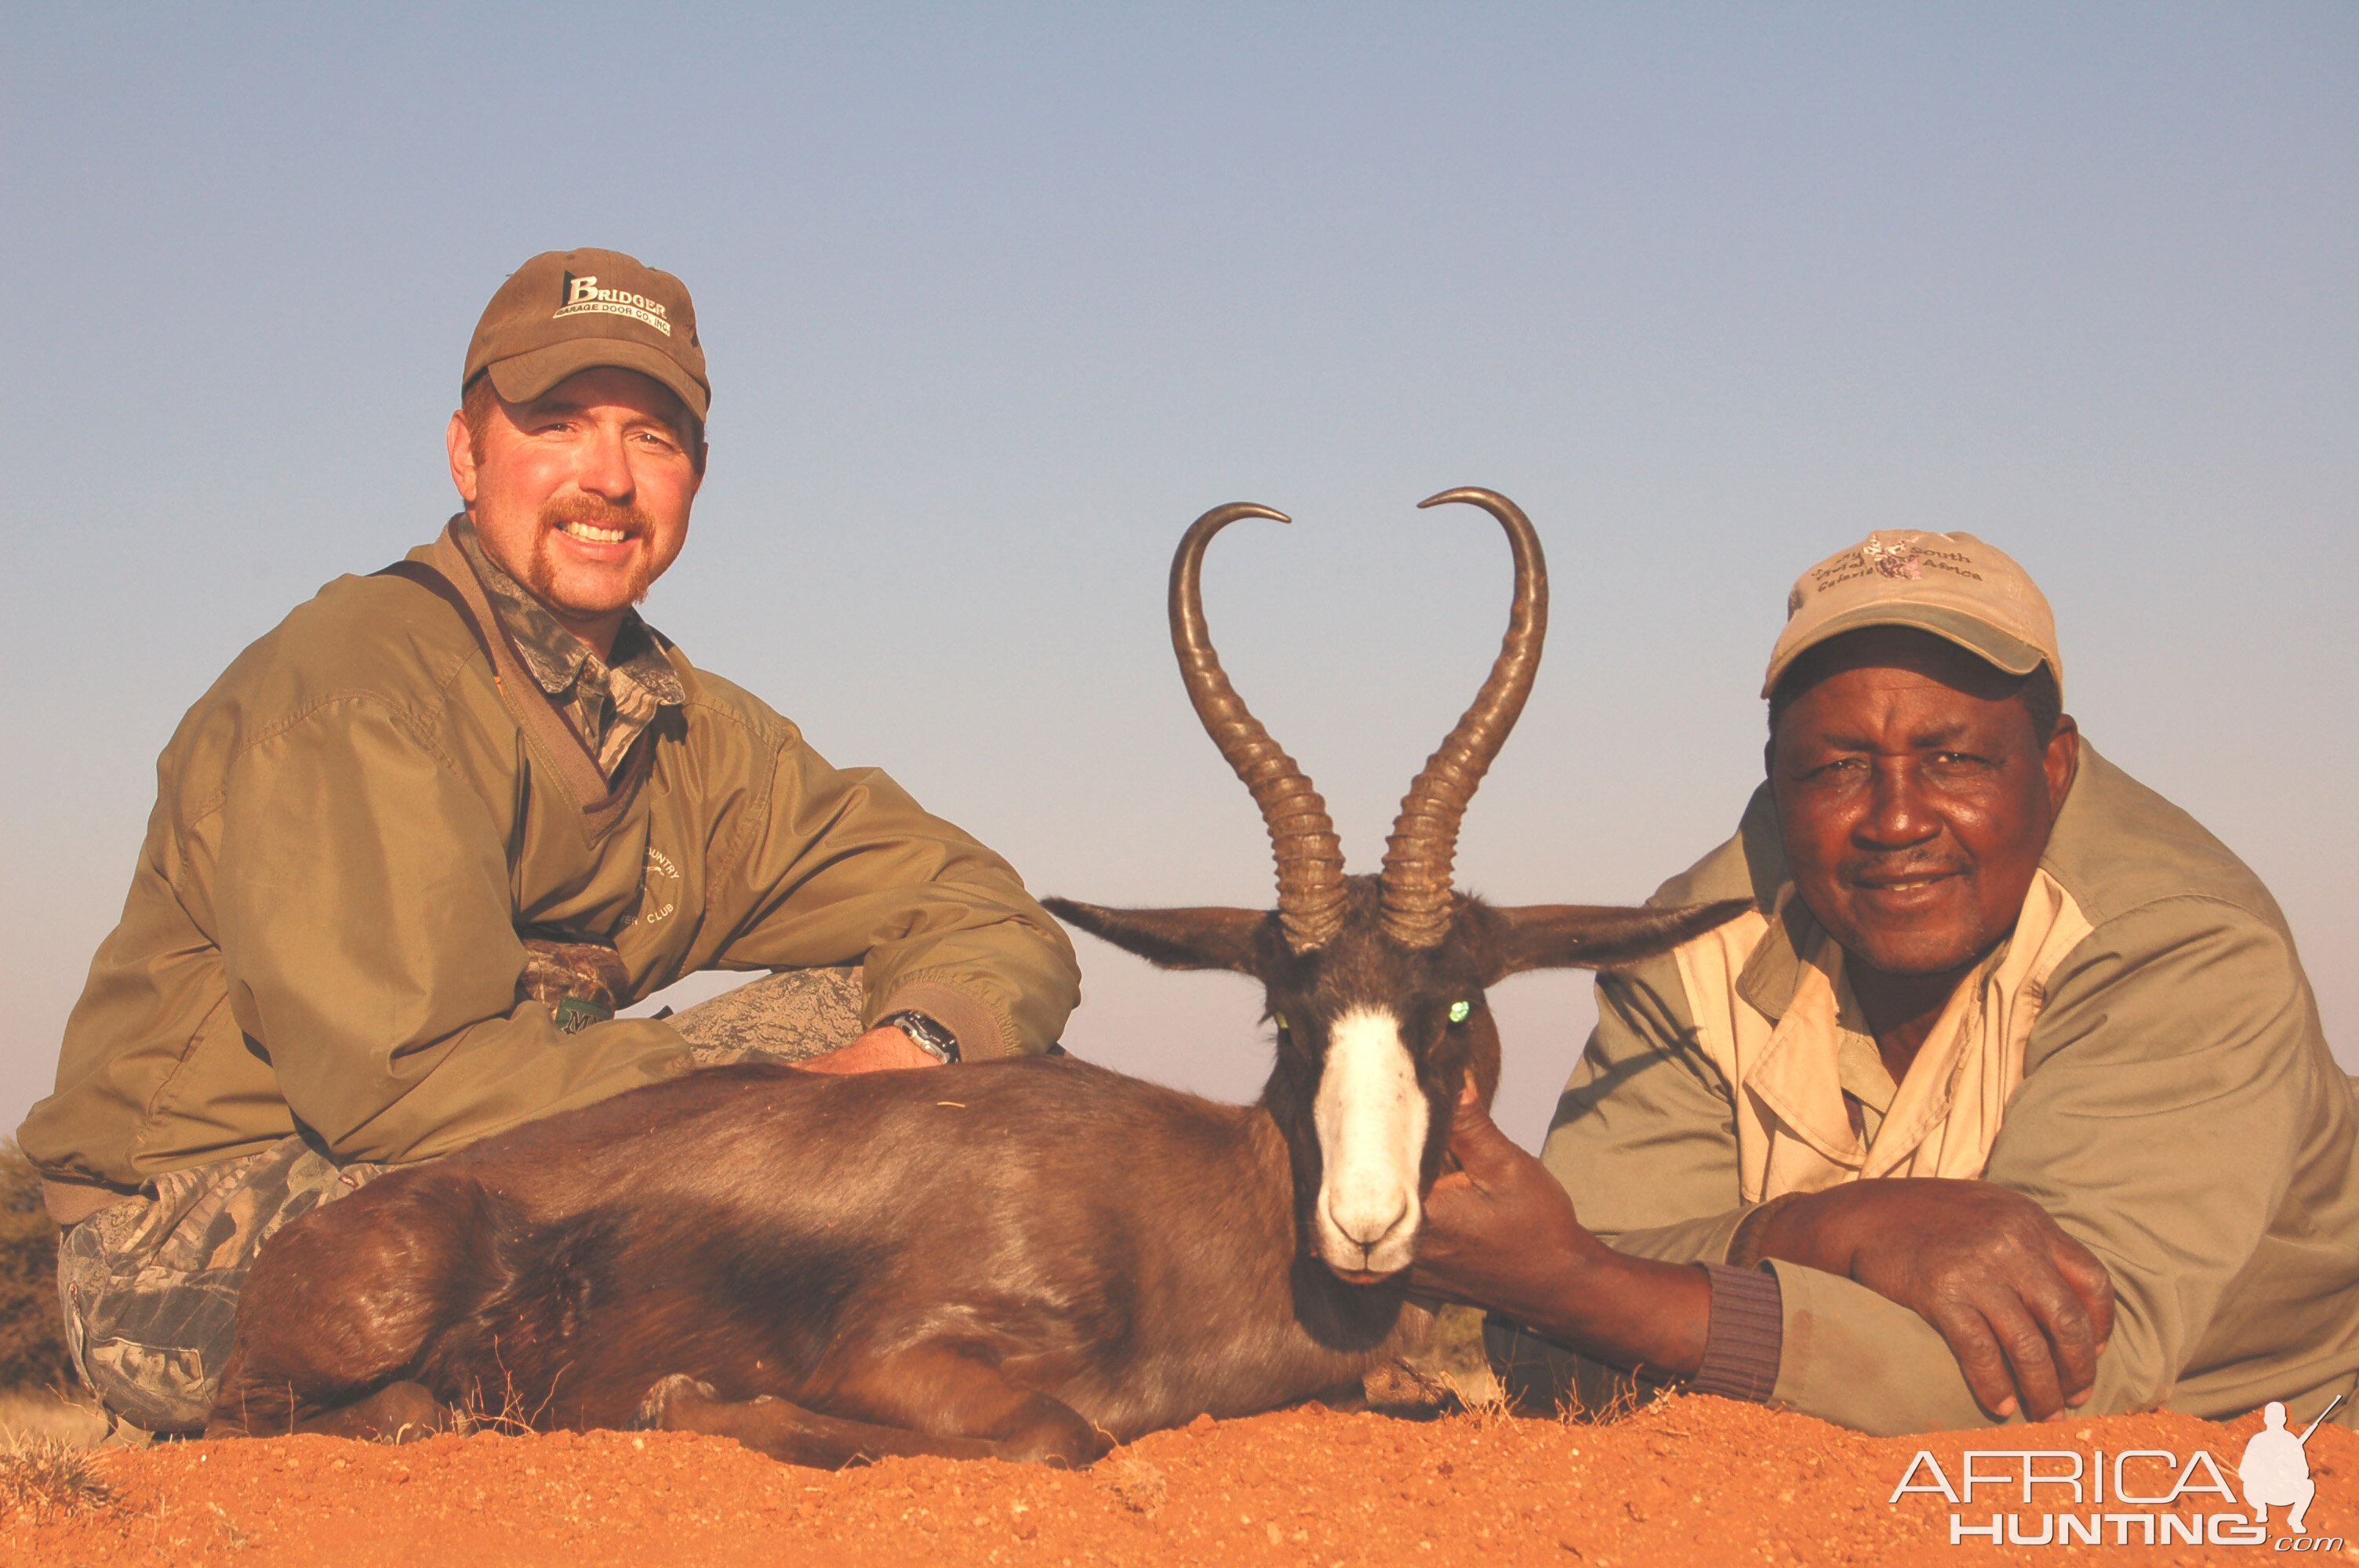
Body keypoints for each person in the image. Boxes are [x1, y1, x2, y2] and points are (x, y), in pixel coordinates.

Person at [18, 248, 1081, 1435]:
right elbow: (412, 1085)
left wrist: (915, 1050)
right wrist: (765, 1118)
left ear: (698, 475)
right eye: (558, 424)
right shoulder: (361, 689)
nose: (608, 477)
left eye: (654, 438)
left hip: (506, 1157)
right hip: (203, 1229)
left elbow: (984, 909)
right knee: (686, 1223)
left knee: (887, 1021)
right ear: (467, 454)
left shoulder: (694, 729)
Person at [1408, 529, 2359, 1435]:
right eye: (1836, 766)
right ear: (1777, 780)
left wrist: (1592, 1290)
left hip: (2257, 1444)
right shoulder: (1696, 942)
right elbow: (1554, 1291)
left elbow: (2071, 1375)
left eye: (1953, 758)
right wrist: (1823, 1230)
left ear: (2053, 765)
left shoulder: (2182, 946)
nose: (1895, 819)